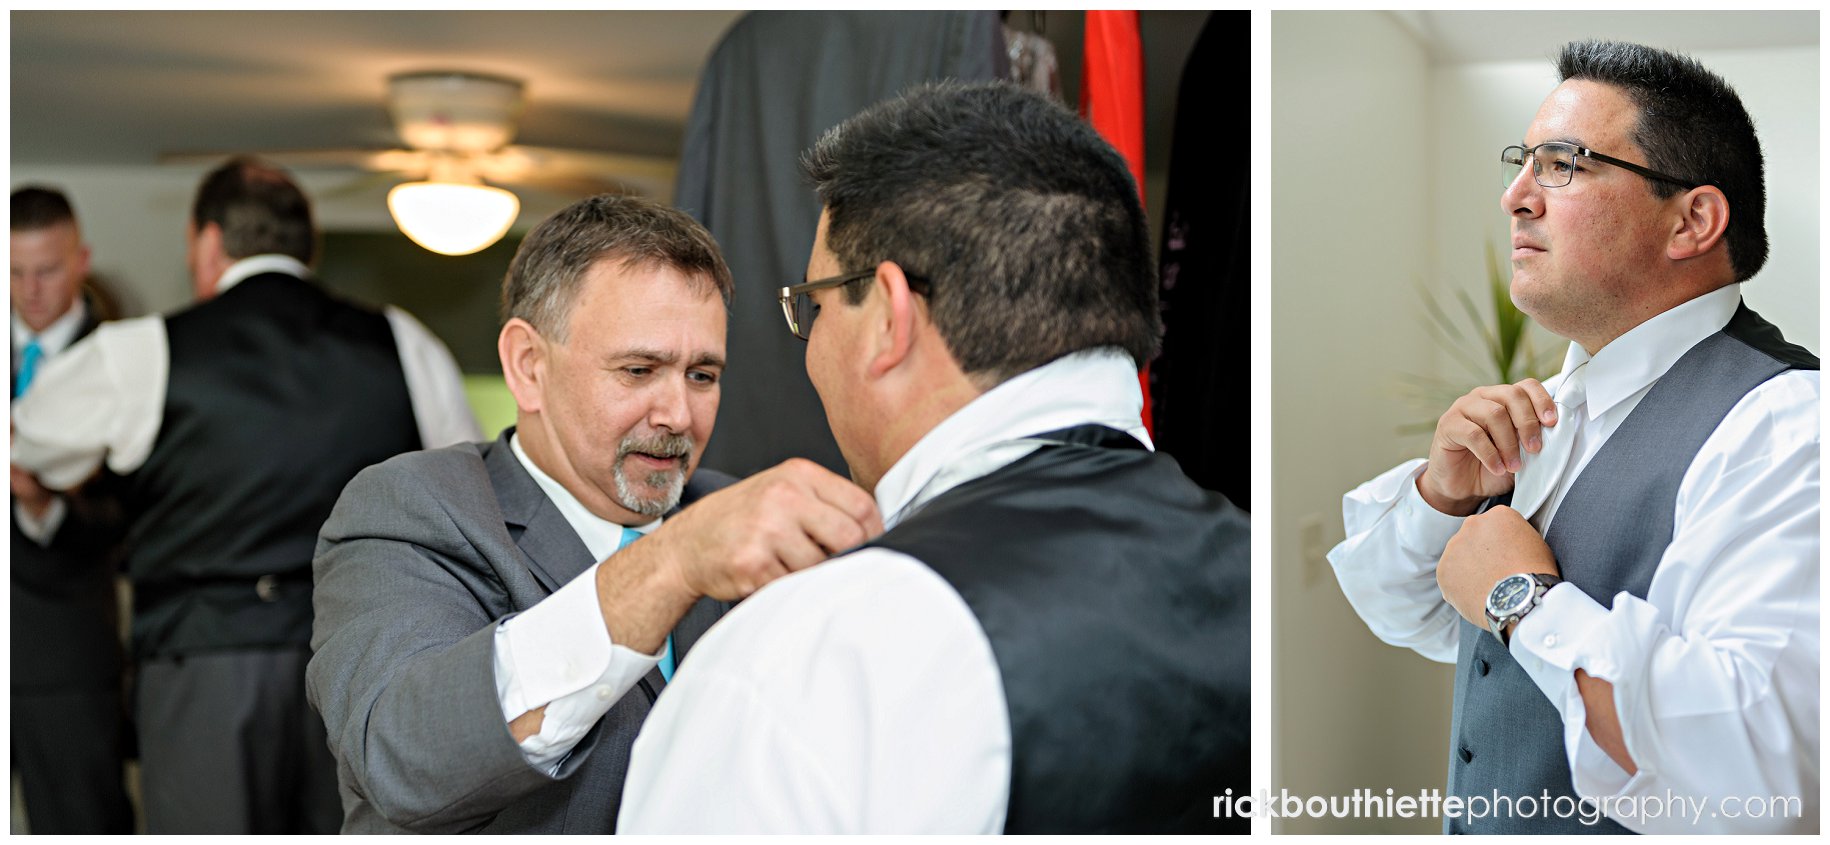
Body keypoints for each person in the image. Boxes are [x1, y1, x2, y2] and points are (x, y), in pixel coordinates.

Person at [618, 80, 1251, 834]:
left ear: (889, 314)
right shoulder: (1262, 572)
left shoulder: (816, 656)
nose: (812, 347)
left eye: (815, 306)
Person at [1328, 41, 1817, 834]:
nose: (1516, 197)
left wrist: (1524, 600)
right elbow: (1406, 615)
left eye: (1563, 165)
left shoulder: (1787, 428)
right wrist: (1441, 495)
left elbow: (1759, 771)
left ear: (1693, 218)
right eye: (1523, 161)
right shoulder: (1545, 410)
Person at [306, 194, 881, 833]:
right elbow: (406, 759)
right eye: (638, 370)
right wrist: (673, 563)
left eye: (702, 375)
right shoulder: (410, 510)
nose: (679, 416)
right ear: (528, 366)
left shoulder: (742, 518)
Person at [10, 157, 480, 833]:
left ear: (207, 243)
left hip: (203, 659)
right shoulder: (403, 341)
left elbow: (32, 439)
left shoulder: (145, 350)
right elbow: (462, 490)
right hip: (358, 658)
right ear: (306, 246)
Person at [9, 186, 134, 834]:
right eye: (15, 271)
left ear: (80, 259)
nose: (30, 289)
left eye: (47, 269)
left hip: (64, 649)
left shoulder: (124, 360)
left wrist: (40, 500)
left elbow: (133, 518)